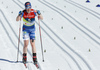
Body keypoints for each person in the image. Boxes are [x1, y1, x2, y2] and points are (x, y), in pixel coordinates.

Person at [16, 2, 43, 68]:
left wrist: (39, 13)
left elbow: (41, 18)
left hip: (32, 30)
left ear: (31, 7)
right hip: (25, 30)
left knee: (33, 44)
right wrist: (19, 15)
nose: (28, 9)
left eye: (29, 7)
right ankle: (24, 58)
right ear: (25, 8)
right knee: (26, 44)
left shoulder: (33, 12)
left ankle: (34, 58)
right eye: (27, 8)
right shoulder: (23, 12)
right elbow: (17, 20)